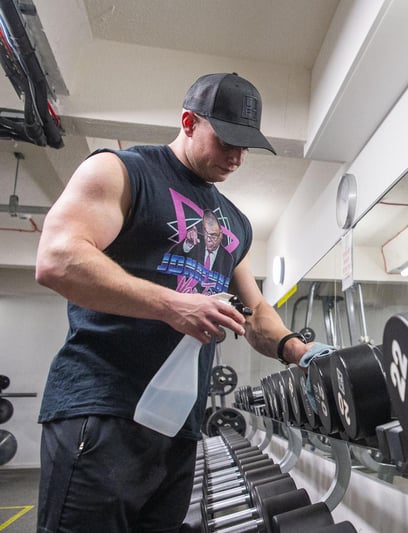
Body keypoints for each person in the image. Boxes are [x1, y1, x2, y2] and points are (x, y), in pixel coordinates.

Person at [34, 72, 331, 533]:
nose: (236, 156)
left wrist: (301, 351)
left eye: (246, 146)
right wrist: (174, 305)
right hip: (104, 409)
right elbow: (57, 259)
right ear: (189, 121)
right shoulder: (123, 170)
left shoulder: (235, 222)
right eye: (226, 140)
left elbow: (255, 314)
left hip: (180, 427)